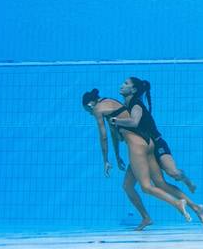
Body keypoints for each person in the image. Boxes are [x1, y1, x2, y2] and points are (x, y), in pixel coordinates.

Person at [81, 88, 192, 229]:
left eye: (88, 111)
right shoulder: (112, 103)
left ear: (90, 105)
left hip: (137, 147)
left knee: (146, 187)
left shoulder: (97, 109)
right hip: (148, 142)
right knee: (131, 185)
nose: (91, 114)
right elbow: (115, 134)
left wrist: (106, 161)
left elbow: (104, 137)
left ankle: (177, 203)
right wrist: (117, 156)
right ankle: (146, 218)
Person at [112, 77, 203, 228]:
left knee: (173, 173)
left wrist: (115, 121)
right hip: (143, 147)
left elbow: (135, 122)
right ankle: (195, 207)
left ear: (134, 90)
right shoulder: (125, 106)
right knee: (147, 184)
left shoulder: (136, 104)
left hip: (156, 143)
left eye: (126, 84)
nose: (121, 85)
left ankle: (187, 182)